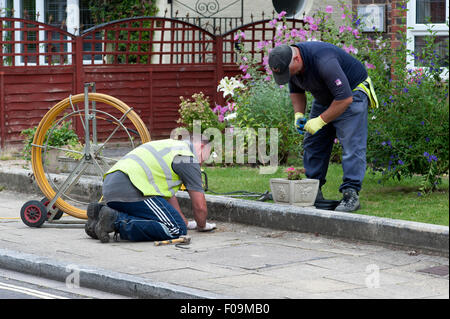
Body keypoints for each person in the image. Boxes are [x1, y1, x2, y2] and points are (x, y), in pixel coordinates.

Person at [268, 42, 378, 212]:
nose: (287, 75)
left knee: (351, 145)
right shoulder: (292, 65)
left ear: (296, 59)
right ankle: (312, 189)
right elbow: (296, 91)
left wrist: (320, 121)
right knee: (313, 142)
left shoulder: (324, 61)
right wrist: (299, 115)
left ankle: (351, 194)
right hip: (326, 97)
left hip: (352, 94)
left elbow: (344, 99)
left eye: (287, 72)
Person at [85, 135, 216, 243]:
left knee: (173, 222)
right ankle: (116, 221)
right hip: (133, 187)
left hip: (111, 187)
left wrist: (185, 222)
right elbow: (200, 206)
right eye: (206, 156)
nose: (202, 162)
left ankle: (98, 217)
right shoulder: (187, 157)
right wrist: (202, 225)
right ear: (203, 147)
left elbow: (168, 197)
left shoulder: (170, 146)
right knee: (175, 228)